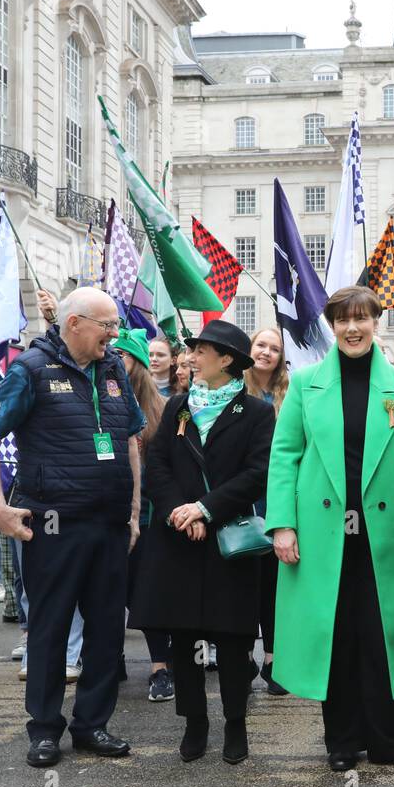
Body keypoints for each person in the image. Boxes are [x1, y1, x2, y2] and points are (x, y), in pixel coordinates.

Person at [0, 287, 145, 769]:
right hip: (52, 524)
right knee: (50, 628)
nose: (114, 335)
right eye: (107, 326)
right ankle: (45, 729)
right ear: (75, 324)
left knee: (108, 629)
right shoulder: (30, 369)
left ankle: (92, 724)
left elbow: (130, 440)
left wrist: (133, 512)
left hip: (110, 523)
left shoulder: (113, 369)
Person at [266, 285, 394, 772]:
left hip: (385, 532)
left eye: (362, 319)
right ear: (331, 326)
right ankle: (341, 741)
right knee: (333, 634)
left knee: (385, 635)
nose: (353, 328)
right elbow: (285, 455)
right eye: (343, 320)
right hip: (322, 532)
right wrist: (282, 525)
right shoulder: (305, 382)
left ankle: (390, 741)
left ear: (377, 322)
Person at [130, 322, 274, 764]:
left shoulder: (255, 413)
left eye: (200, 351)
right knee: (186, 638)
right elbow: (157, 467)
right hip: (180, 540)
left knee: (232, 639)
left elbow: (256, 473)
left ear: (226, 359)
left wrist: (206, 509)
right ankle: (195, 724)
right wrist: (180, 510)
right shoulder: (177, 407)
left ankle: (235, 724)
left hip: (228, 539)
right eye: (191, 351)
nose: (190, 357)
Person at [112, 328, 174, 703]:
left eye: (124, 356)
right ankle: (110, 658)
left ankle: (160, 667)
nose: (116, 362)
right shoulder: (100, 400)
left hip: (150, 517)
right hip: (106, 513)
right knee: (108, 593)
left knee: (147, 594)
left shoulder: (161, 408)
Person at [242, 326, 289, 695]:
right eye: (261, 345)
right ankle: (242, 655)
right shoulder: (234, 389)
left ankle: (274, 659)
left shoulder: (290, 393)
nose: (266, 353)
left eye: (274, 348)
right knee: (244, 580)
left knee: (274, 585)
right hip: (240, 497)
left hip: (277, 497)